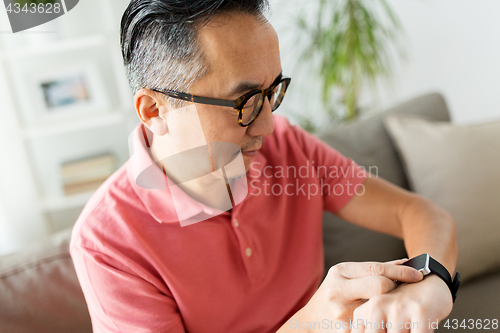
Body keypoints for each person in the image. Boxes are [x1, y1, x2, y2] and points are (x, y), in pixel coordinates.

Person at [70, 0, 458, 332]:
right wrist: (310, 323)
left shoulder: (287, 146)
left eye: (272, 91)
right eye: (244, 102)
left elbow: (417, 212)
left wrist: (431, 282)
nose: (268, 124)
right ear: (154, 110)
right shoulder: (107, 244)